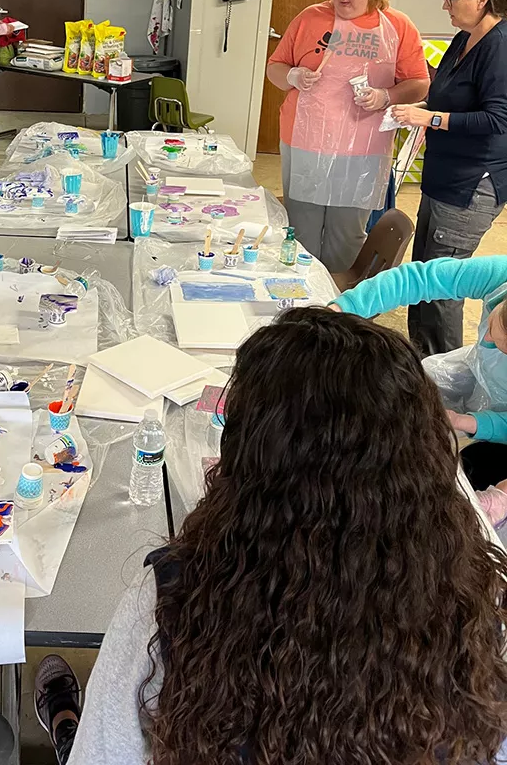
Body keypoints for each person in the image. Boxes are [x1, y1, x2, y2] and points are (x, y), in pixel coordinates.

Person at [35, 308, 507, 765]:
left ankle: (64, 726)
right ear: (424, 459)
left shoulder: (172, 598)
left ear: (244, 460)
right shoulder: (480, 599)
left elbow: (104, 754)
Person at [267, 0, 429, 273]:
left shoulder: (397, 27)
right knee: (302, 231)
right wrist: (294, 75)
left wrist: (386, 96)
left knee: (346, 234)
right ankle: (298, 307)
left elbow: (419, 82)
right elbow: (275, 68)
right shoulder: (310, 18)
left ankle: (333, 311)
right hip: (305, 141)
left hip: (363, 149)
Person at [390, 0, 507, 357]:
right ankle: (421, 367)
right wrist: (410, 107)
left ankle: (444, 383)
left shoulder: (500, 46)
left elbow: (497, 118)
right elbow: (447, 96)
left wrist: (430, 117)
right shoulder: (464, 38)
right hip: (444, 177)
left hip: (471, 185)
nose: (446, 6)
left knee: (442, 287)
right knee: (423, 278)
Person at [330, 254, 507, 492]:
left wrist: (476, 423)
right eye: (494, 324)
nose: (486, 339)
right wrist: (344, 307)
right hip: (476, 371)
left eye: (500, 347)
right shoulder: (500, 274)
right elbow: (419, 279)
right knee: (408, 391)